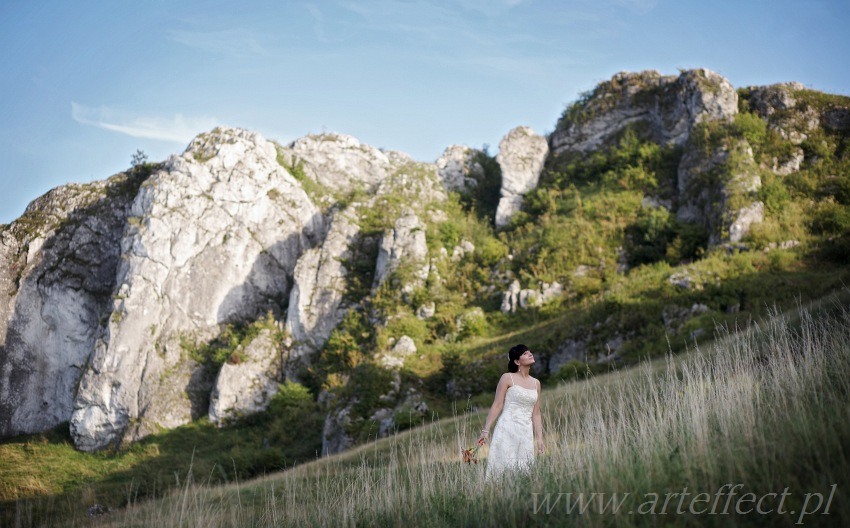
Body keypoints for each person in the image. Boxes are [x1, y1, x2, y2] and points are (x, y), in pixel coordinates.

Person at [478, 344, 544, 479]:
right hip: (507, 428)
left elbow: (536, 413)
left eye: (530, 352)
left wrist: (539, 439)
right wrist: (485, 430)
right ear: (517, 361)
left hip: (525, 432)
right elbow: (497, 405)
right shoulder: (507, 378)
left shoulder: (536, 383)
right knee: (502, 469)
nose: (530, 354)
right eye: (525, 353)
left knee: (523, 471)